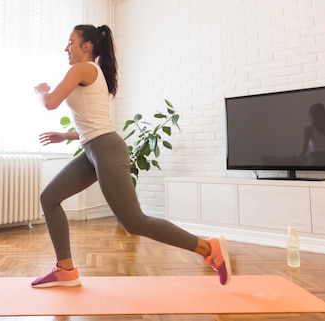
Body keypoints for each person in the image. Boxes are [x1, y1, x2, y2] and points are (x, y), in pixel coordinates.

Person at [32, 24, 231, 288]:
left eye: (71, 42)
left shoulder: (81, 68)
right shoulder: (93, 72)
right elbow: (94, 122)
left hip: (105, 150)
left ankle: (209, 248)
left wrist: (40, 91)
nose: (66, 48)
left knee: (134, 221)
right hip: (94, 149)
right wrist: (66, 135)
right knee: (50, 197)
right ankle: (65, 269)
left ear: (87, 46)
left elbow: (51, 102)